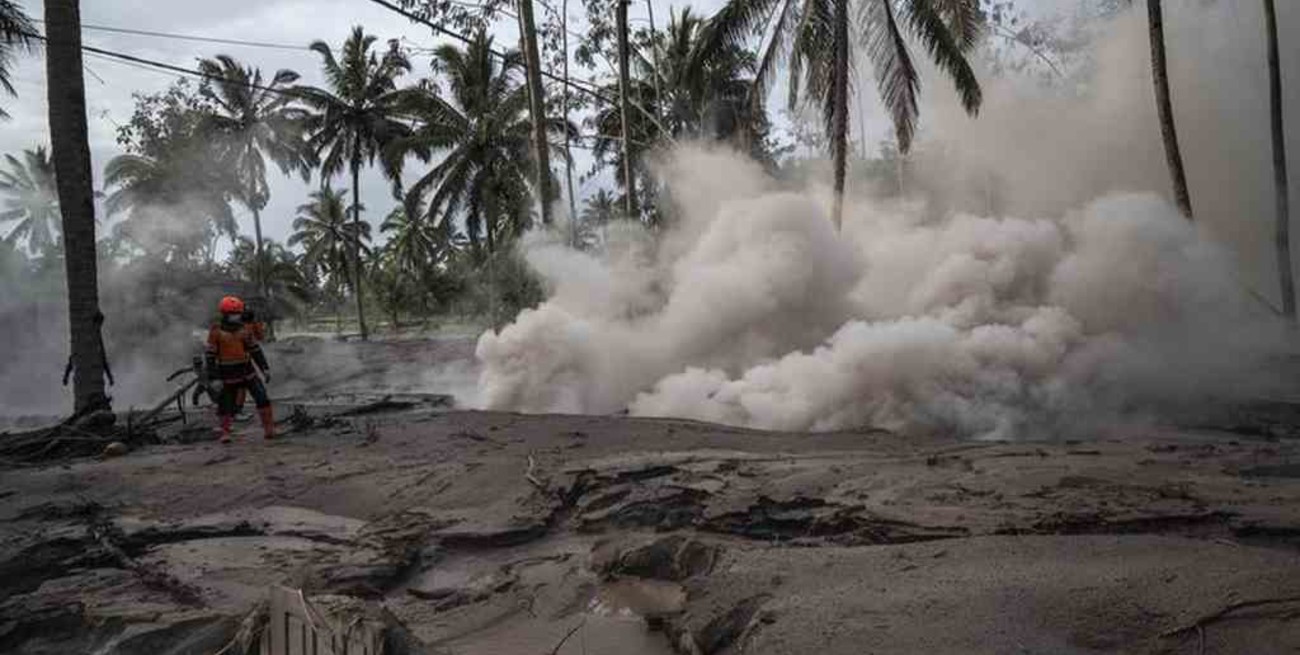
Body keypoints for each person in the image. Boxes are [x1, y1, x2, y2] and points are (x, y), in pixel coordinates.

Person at [206, 296, 274, 443]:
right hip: (226, 372)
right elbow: (210, 356)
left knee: (262, 397)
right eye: (234, 313)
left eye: (238, 313)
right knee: (225, 403)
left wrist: (265, 369)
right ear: (225, 314)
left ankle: (269, 429)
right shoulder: (216, 331)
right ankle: (225, 432)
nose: (237, 316)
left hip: (247, 370)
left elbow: (255, 350)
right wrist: (214, 378)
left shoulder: (244, 330)